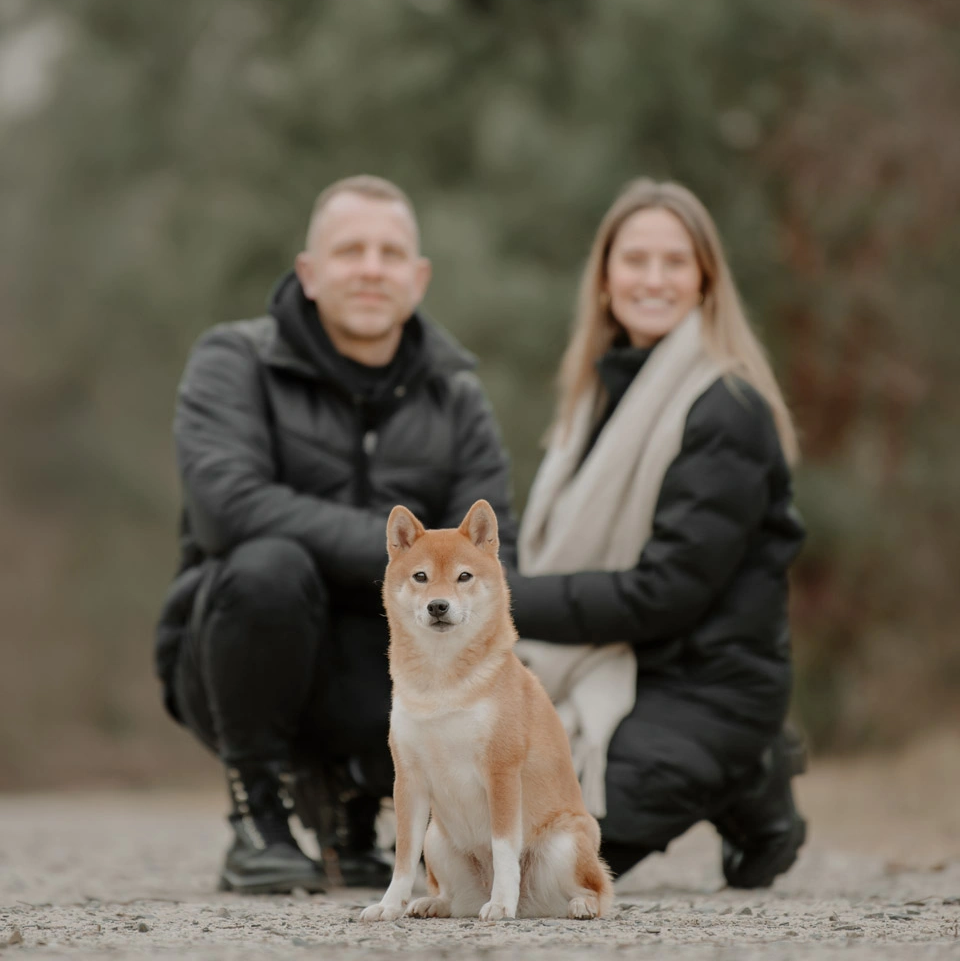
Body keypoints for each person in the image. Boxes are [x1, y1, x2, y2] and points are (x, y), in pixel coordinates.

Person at [155, 175, 516, 894]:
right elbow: (228, 508)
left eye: (390, 253)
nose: (372, 267)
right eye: (350, 250)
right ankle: (259, 812)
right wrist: (401, 553)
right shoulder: (233, 362)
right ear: (309, 273)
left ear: (418, 279)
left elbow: (492, 562)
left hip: (387, 665)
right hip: (236, 651)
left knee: (453, 619)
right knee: (268, 566)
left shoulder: (458, 396)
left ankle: (356, 802)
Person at [506, 178, 807, 888]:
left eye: (675, 262)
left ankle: (749, 766)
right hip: (614, 671)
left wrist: (505, 602)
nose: (653, 279)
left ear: (705, 280)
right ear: (605, 279)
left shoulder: (726, 407)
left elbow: (664, 593)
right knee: (473, 840)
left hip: (706, 686)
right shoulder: (595, 397)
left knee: (543, 868)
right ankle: (736, 781)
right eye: (634, 260)